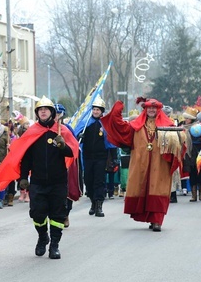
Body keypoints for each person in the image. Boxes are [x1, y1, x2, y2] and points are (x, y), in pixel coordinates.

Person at [0, 97, 79, 258]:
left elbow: (72, 152)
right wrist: (23, 178)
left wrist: (62, 146)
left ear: (52, 112)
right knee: (37, 213)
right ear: (37, 113)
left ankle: (55, 246)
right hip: (37, 182)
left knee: (57, 215)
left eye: (46, 109)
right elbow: (26, 157)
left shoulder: (62, 130)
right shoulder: (32, 132)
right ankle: (43, 237)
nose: (43, 111)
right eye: (40, 109)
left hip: (58, 182)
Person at [100, 97, 183, 232]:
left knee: (158, 189)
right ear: (144, 109)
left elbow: (178, 145)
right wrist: (117, 109)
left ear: (158, 109)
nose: (151, 110)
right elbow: (119, 128)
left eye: (154, 108)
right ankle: (150, 217)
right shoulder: (135, 126)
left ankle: (157, 220)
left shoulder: (169, 126)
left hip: (160, 164)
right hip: (140, 163)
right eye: (148, 107)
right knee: (142, 187)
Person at [78, 97, 112, 217]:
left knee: (99, 181)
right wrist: (80, 135)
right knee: (89, 180)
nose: (96, 112)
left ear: (102, 111)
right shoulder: (86, 123)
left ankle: (99, 206)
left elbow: (111, 142)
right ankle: (93, 201)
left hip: (101, 157)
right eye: (94, 109)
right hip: (88, 157)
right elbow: (77, 137)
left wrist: (113, 160)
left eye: (98, 110)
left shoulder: (105, 124)